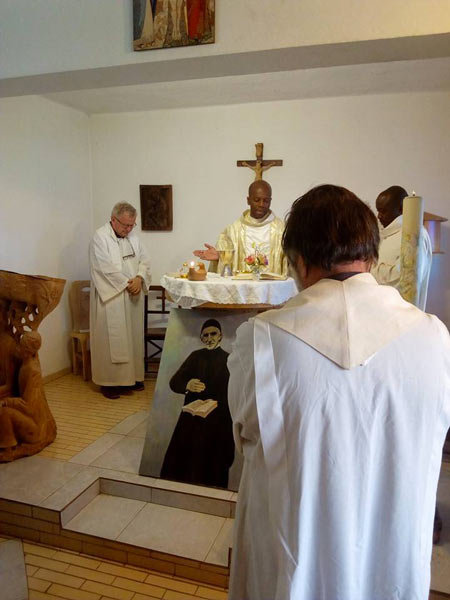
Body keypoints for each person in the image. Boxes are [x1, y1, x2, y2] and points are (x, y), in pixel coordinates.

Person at [228, 184, 450, 600]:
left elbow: (243, 437)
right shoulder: (434, 337)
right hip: (391, 553)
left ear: (298, 261)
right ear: (372, 256)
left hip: (294, 556)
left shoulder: (259, 341)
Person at [160, 319, 234, 488]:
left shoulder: (229, 359)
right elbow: (174, 382)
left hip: (218, 421)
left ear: (220, 336)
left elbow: (234, 391)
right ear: (201, 338)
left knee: (213, 464)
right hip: (191, 420)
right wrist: (187, 384)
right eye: (205, 335)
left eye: (213, 334)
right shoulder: (195, 356)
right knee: (184, 462)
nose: (209, 338)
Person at [90, 202, 151, 399]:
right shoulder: (100, 237)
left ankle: (131, 379)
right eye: (125, 225)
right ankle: (109, 383)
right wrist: (127, 283)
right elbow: (103, 267)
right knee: (112, 340)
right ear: (113, 220)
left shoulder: (134, 238)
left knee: (132, 338)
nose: (128, 229)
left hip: (132, 296)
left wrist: (139, 278)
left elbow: (145, 260)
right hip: (112, 297)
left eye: (132, 225)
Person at [194, 180, 287, 276]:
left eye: (266, 201)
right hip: (242, 285)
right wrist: (220, 257)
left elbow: (288, 265)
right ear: (248, 200)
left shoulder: (282, 230)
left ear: (270, 201)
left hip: (272, 285)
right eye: (256, 200)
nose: (261, 204)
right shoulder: (233, 230)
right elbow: (226, 266)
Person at [371, 185, 432, 310]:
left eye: (383, 211)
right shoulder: (384, 234)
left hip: (402, 310)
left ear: (401, 209)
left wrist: (369, 268)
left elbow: (405, 278)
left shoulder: (415, 236)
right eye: (378, 211)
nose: (379, 216)